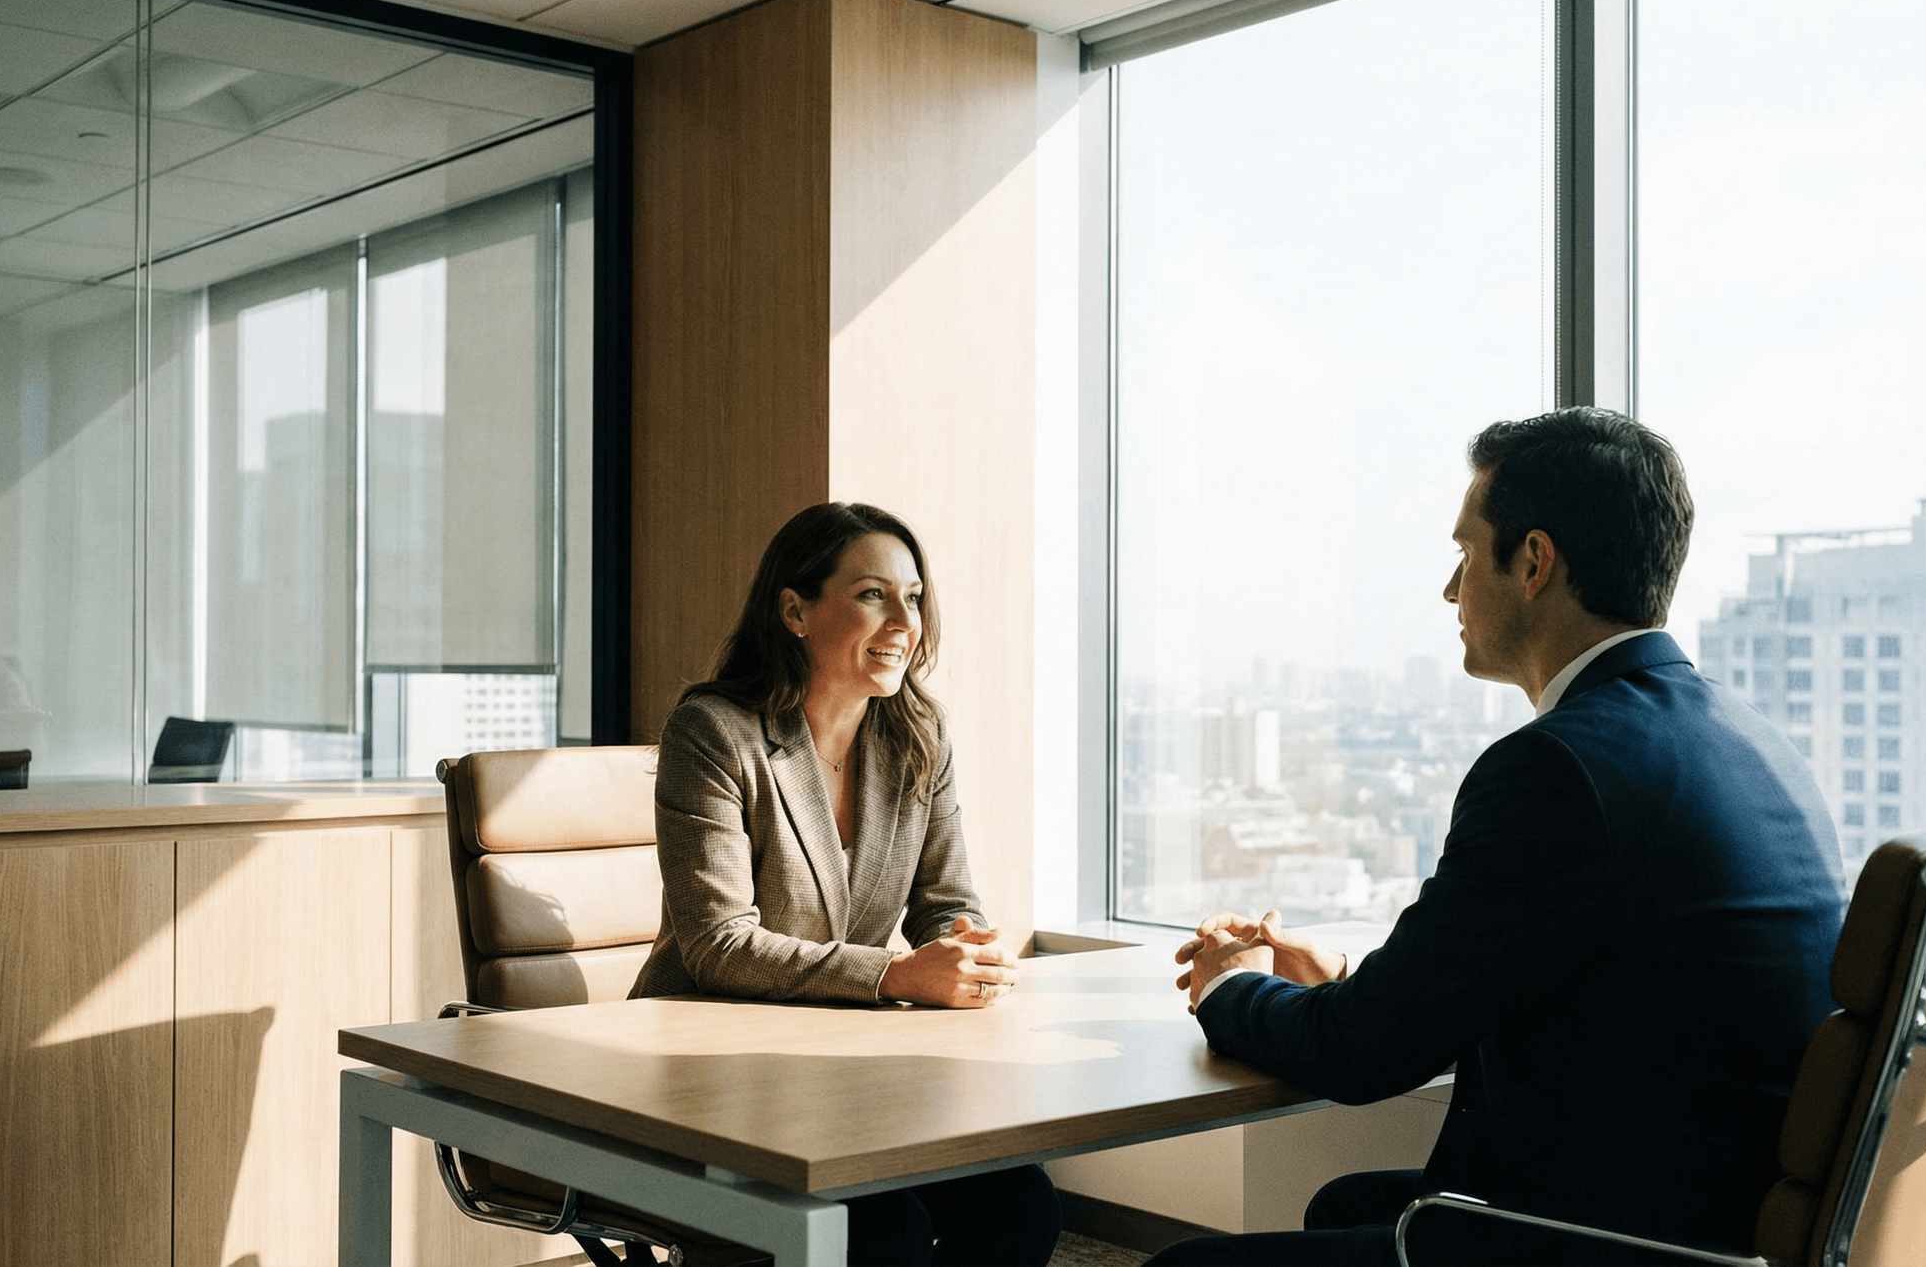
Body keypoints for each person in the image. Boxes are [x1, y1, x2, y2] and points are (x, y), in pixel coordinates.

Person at [1160, 408, 1846, 1265]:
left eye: (1464, 553)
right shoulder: (1742, 737)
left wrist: (1229, 986)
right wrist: (1344, 981)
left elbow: (1365, 1055)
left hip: (1618, 1242)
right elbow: (1575, 979)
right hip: (1715, 1221)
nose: (1451, 591)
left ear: (1532, 562)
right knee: (1347, 1205)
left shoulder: (1561, 767)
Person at [630, 501, 1062, 1267]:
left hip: (835, 1073)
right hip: (711, 1075)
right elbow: (717, 945)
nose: (905, 621)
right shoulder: (715, 733)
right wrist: (897, 973)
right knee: (881, 1230)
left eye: (914, 597)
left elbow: (947, 901)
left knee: (1017, 1200)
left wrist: (959, 950)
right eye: (873, 595)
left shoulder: (915, 738)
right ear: (794, 609)